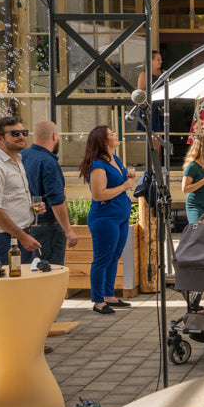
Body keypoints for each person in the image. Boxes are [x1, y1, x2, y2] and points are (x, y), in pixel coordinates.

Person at [78, 126, 135, 315]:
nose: (115, 135)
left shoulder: (114, 159)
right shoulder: (97, 165)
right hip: (105, 218)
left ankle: (109, 294)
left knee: (114, 255)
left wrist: (125, 183)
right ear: (104, 142)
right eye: (111, 134)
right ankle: (98, 300)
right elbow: (98, 194)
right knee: (102, 259)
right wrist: (124, 186)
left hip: (120, 216)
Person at [0, 116, 42, 266]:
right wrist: (22, 237)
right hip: (6, 240)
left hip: (23, 235)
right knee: (7, 288)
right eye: (15, 134)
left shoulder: (18, 160)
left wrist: (31, 208)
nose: (21, 137)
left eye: (24, 133)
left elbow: (11, 199)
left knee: (25, 286)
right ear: (0, 138)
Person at [23, 121, 78, 265]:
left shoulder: (21, 156)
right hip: (48, 228)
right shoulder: (49, 162)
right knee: (51, 271)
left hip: (24, 227)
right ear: (55, 136)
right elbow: (56, 201)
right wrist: (68, 230)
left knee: (30, 270)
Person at [182, 135, 204, 224]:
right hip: (195, 205)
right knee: (197, 228)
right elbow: (185, 189)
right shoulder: (192, 166)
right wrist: (203, 182)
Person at [137, 50, 165, 134]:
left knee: (162, 133)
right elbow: (140, 91)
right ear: (151, 61)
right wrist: (154, 91)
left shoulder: (164, 73)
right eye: (158, 59)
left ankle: (159, 148)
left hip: (163, 106)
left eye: (161, 59)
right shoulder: (144, 73)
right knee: (151, 133)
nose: (161, 61)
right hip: (150, 106)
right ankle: (152, 148)